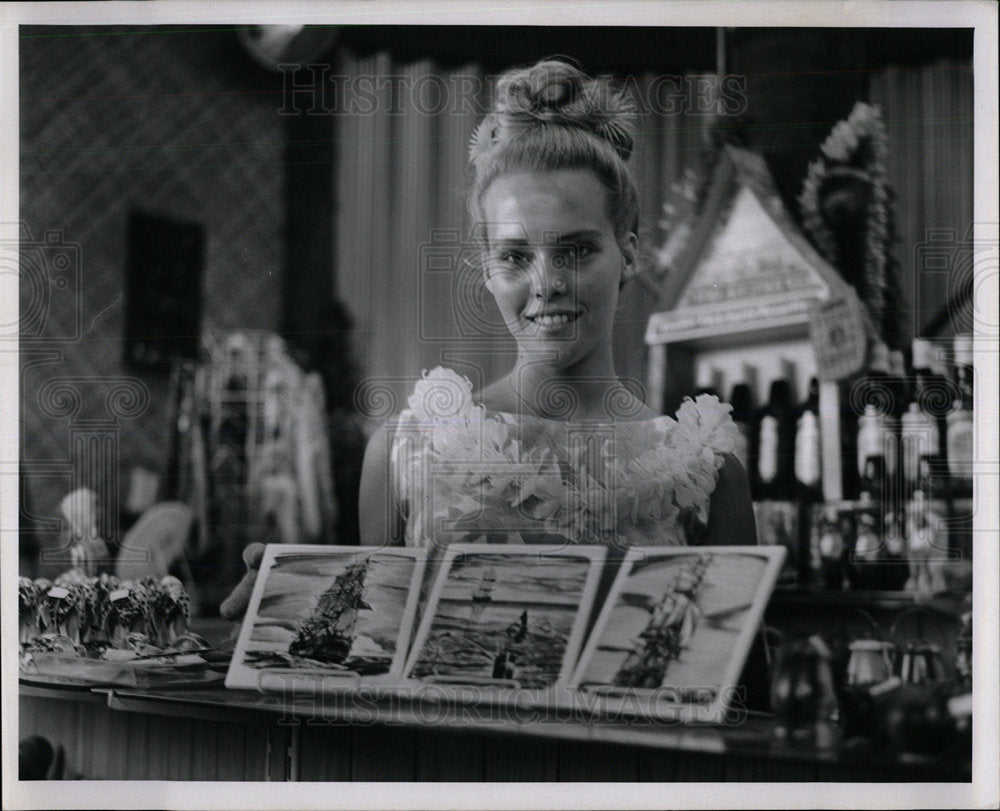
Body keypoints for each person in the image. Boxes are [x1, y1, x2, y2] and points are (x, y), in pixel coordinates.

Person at [221, 58, 755, 621]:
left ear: (628, 251)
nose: (546, 284)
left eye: (575, 250)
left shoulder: (706, 476)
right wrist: (295, 603)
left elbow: (746, 692)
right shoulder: (407, 454)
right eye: (516, 257)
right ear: (486, 268)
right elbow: (372, 666)